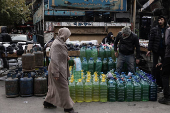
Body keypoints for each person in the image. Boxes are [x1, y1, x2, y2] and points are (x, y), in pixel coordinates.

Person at [44, 27, 78, 113]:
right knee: (64, 88)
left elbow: (59, 54)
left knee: (53, 86)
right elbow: (54, 59)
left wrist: (66, 57)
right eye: (67, 35)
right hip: (57, 69)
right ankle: (68, 108)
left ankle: (48, 102)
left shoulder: (60, 42)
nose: (68, 37)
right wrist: (56, 73)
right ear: (64, 34)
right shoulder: (57, 44)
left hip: (59, 67)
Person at [146, 16, 167, 86]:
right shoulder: (155, 29)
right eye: (159, 20)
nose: (160, 21)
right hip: (156, 50)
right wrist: (149, 49)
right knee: (154, 65)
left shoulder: (167, 29)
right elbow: (151, 40)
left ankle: (162, 83)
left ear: (164, 20)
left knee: (164, 66)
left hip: (164, 50)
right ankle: (153, 81)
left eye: (161, 19)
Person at [158, 19, 170, 105]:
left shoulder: (168, 30)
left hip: (169, 56)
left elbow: (166, 42)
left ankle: (167, 97)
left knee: (165, 75)